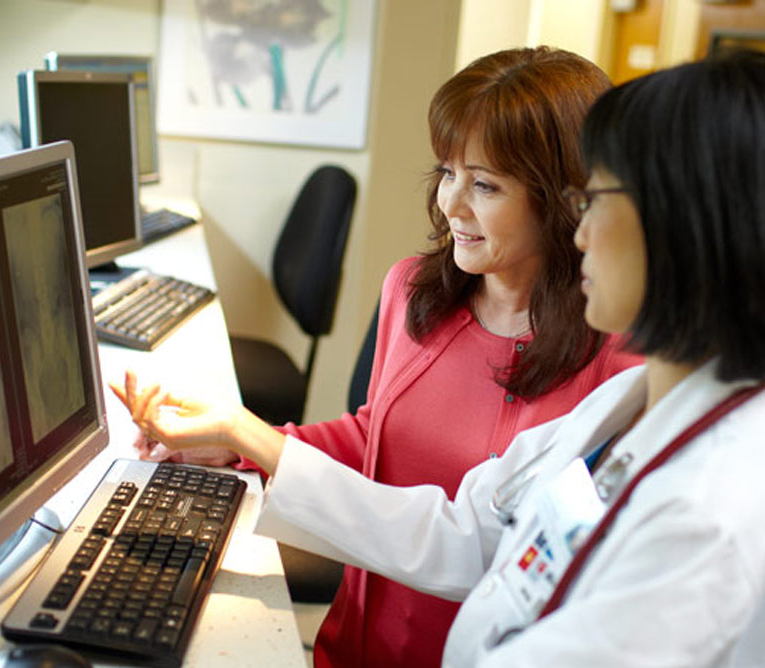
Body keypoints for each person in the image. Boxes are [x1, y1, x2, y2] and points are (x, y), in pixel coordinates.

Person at [115, 48, 765, 665]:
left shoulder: (706, 512)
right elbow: (466, 533)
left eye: (598, 200)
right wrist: (242, 438)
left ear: (687, 228)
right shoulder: (627, 408)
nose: (582, 227)